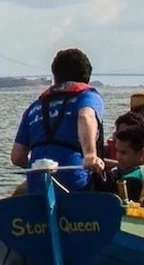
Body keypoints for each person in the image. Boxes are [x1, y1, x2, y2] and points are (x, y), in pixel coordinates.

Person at [10, 48, 105, 193]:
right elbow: (85, 117)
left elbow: (17, 157)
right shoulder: (87, 97)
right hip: (75, 184)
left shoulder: (34, 108)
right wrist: (90, 155)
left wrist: (39, 164)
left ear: (55, 77)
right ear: (86, 78)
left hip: (37, 185)